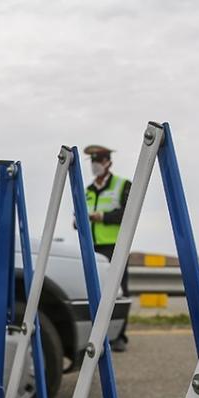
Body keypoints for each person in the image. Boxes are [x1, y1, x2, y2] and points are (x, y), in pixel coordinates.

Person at [84, 144, 131, 352]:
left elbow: (128, 213)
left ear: (108, 162)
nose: (95, 165)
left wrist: (102, 217)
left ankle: (119, 336)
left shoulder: (122, 185)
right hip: (92, 247)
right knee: (94, 291)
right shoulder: (87, 190)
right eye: (93, 161)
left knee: (118, 291)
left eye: (98, 161)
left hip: (115, 246)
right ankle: (96, 334)